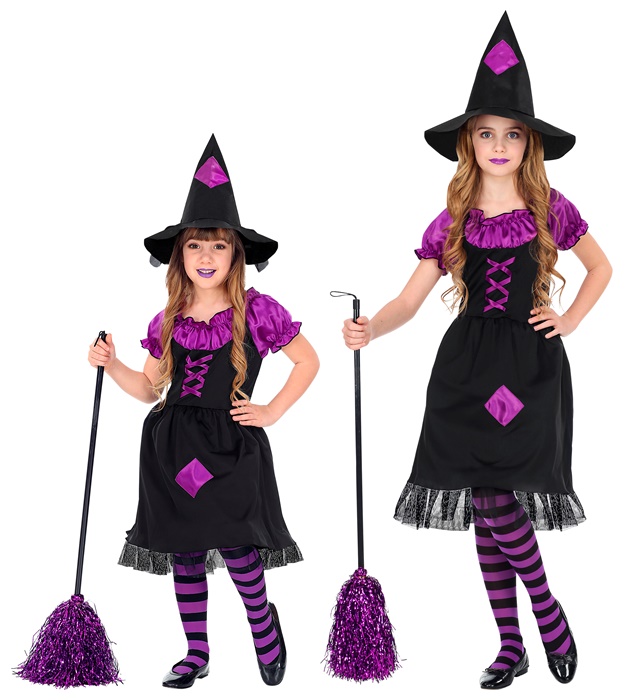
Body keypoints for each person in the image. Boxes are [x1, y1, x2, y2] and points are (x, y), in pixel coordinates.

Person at [342, 12, 611, 691]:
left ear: (529, 143)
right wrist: (372, 327)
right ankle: (511, 645)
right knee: (486, 504)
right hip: (464, 368)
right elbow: (409, 300)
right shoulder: (453, 219)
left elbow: (602, 267)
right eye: (486, 133)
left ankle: (545, 615)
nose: (499, 144)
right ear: (468, 141)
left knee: (496, 500)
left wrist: (570, 320)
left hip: (531, 365)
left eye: (512, 133)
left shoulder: (550, 207)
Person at [88, 133, 319, 689]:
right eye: (195, 246)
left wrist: (271, 411)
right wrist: (113, 365)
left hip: (232, 445)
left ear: (236, 254)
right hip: (171, 447)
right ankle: (196, 651)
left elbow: (308, 361)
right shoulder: (168, 317)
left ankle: (264, 628)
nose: (207, 257)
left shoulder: (257, 311)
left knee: (238, 545)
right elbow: (149, 389)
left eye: (218, 246)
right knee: (185, 550)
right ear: (180, 255)